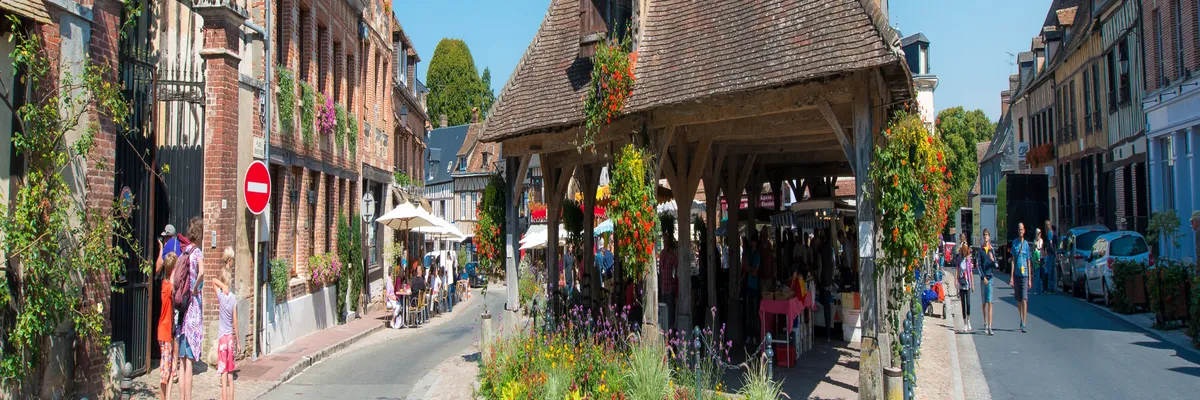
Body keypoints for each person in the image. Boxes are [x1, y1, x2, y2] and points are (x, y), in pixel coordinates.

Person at [177, 217, 205, 400]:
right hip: (193, 308)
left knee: (181, 362)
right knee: (189, 364)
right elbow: (202, 272)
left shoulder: (183, 252)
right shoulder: (197, 253)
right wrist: (195, 288)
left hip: (182, 310)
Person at [212, 247, 238, 400]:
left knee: (223, 374)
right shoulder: (233, 298)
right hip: (230, 339)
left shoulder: (221, 297)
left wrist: (221, 286)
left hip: (222, 339)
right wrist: (238, 341)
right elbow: (235, 320)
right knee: (230, 375)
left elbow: (213, 281)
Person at [157, 253, 178, 400]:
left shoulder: (165, 284)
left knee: (170, 367)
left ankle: (168, 397)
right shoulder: (168, 287)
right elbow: (174, 291)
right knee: (165, 370)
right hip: (164, 331)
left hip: (167, 331)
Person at [1010, 222, 1033, 333]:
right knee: (1019, 300)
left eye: (1022, 229)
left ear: (1024, 231)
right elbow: (1013, 261)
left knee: (1024, 299)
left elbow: (1028, 261)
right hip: (1017, 275)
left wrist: (1029, 278)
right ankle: (1021, 317)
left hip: (1024, 276)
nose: (1020, 231)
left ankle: (1024, 322)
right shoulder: (1015, 243)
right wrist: (1011, 277)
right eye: (1019, 229)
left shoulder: (1027, 245)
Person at [953, 234, 974, 333]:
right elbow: (957, 269)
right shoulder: (959, 259)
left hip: (967, 283)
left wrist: (972, 284)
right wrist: (955, 279)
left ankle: (969, 320)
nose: (965, 252)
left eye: (966, 251)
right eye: (963, 251)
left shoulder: (968, 260)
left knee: (968, 303)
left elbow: (970, 272)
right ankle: (964, 323)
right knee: (963, 303)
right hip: (962, 282)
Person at [817, 231, 835, 340]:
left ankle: (827, 331)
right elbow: (833, 264)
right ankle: (828, 330)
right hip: (829, 280)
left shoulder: (820, 251)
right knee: (828, 306)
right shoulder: (830, 250)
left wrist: (818, 279)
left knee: (825, 307)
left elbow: (819, 267)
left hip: (823, 281)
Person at [980, 229, 997, 335]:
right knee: (984, 303)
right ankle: (985, 322)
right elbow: (978, 265)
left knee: (990, 302)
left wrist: (992, 260)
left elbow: (996, 265)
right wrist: (982, 277)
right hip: (983, 279)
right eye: (984, 235)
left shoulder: (992, 250)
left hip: (990, 278)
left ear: (989, 237)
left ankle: (990, 326)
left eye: (987, 235)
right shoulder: (981, 250)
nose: (986, 237)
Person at [1045, 221, 1057, 294]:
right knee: (1052, 271)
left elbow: (1050, 242)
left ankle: (1050, 288)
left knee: (1050, 271)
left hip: (1051, 253)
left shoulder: (1049, 232)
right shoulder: (1051, 232)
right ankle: (1052, 288)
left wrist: (1052, 250)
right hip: (1051, 253)